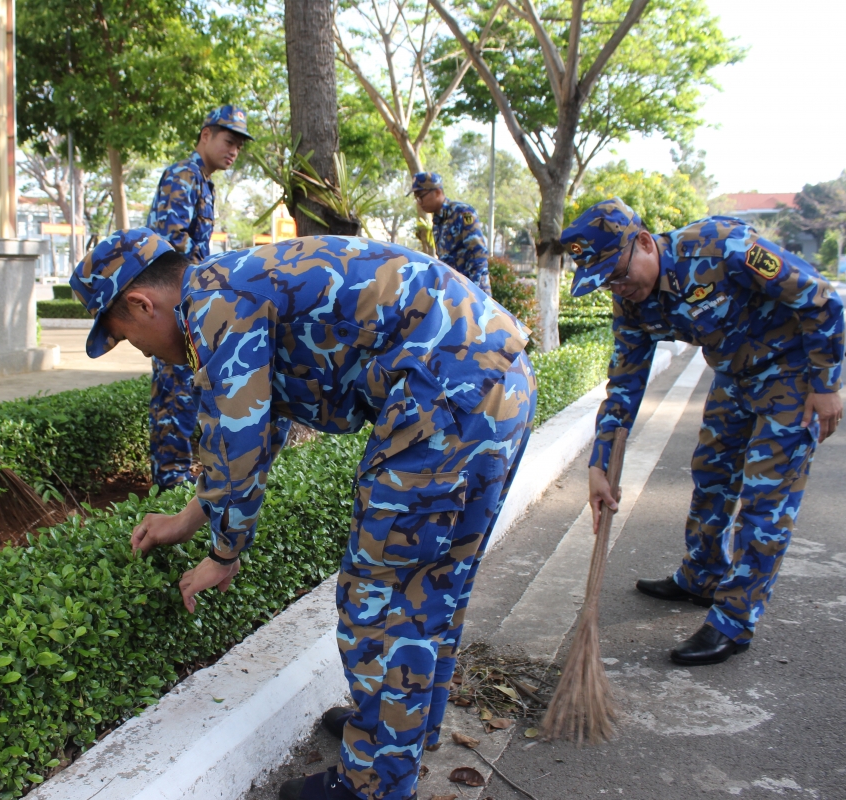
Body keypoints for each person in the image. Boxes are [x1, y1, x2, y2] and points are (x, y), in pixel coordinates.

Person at [69, 228, 537, 800]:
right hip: (495, 385)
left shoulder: (215, 306)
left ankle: (375, 785)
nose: (145, 354)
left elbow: (236, 438)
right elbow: (261, 423)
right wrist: (191, 518)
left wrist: (224, 553)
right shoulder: (236, 282)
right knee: (431, 582)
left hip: (444, 399)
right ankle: (400, 735)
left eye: (133, 340)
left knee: (378, 595)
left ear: (143, 304)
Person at [566, 197, 845, 667]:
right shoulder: (631, 303)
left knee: (764, 499)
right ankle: (702, 575)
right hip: (734, 377)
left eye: (617, 273)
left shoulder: (721, 248)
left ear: (644, 243)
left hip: (792, 374)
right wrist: (599, 464)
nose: (617, 287)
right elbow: (625, 383)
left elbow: (818, 296)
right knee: (711, 473)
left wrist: (826, 384)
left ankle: (734, 620)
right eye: (605, 282)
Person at [144, 104, 253, 490]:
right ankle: (169, 480)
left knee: (187, 388)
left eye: (239, 145)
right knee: (176, 391)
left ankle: (172, 474)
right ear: (205, 134)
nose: (234, 150)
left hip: (190, 304)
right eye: (228, 140)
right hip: (175, 306)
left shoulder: (203, 181)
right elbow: (168, 248)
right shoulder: (183, 176)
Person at [411, 171, 491, 294]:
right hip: (454, 291)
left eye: (421, 196)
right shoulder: (438, 222)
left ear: (437, 192)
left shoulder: (462, 212)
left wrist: (474, 292)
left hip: (473, 292)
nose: (419, 202)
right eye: (416, 198)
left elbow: (478, 254)